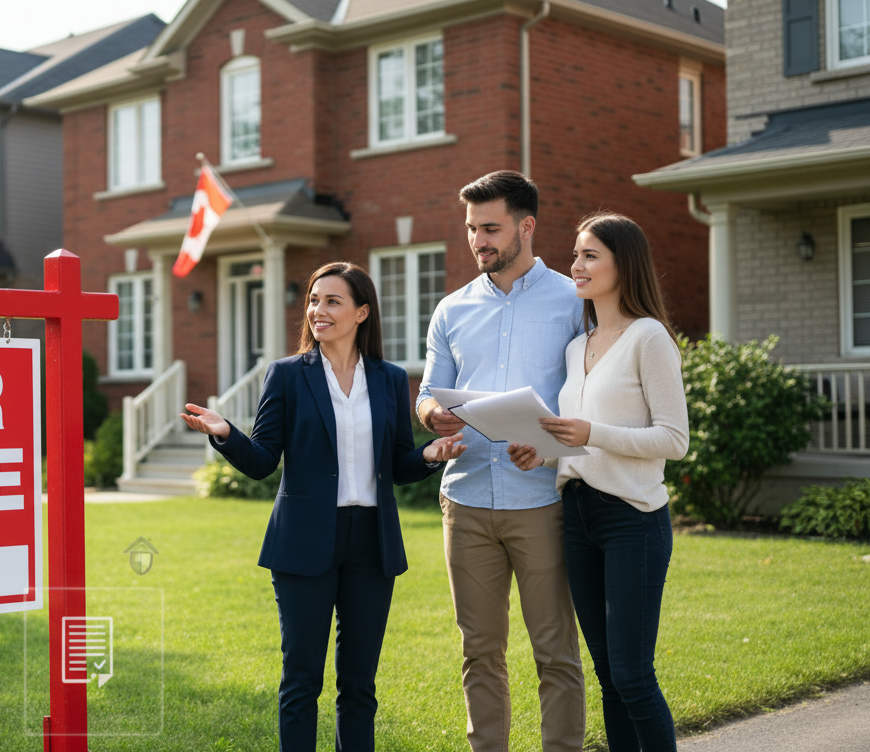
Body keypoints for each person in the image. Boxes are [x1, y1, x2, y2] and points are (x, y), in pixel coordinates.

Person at [181, 261, 466, 751]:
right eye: (314, 300)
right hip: (303, 541)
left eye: (332, 301)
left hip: (371, 543)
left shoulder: (390, 379)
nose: (318, 310)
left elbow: (397, 464)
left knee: (359, 685)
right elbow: (263, 461)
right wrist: (226, 433)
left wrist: (430, 455)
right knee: (301, 681)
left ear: (361, 312)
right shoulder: (288, 376)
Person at [416, 170, 586, 752]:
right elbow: (428, 392)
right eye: (471, 229)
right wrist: (433, 415)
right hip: (464, 500)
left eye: (490, 228)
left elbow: (592, 401)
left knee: (555, 651)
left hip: (541, 500)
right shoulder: (452, 309)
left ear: (527, 225)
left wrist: (551, 447)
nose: (478, 241)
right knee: (479, 651)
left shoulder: (573, 301)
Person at [507, 212, 688, 751]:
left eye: (590, 255)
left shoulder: (648, 338)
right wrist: (540, 455)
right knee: (609, 674)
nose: (576, 266)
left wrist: (592, 430)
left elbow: (674, 440)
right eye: (576, 254)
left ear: (622, 263)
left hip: (632, 518)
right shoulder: (577, 346)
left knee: (633, 675)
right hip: (578, 517)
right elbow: (583, 445)